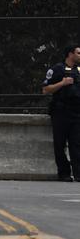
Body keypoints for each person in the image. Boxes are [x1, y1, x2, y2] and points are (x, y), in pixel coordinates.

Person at [42, 44, 80, 181]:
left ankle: (78, 174)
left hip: (77, 113)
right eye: (78, 53)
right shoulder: (57, 69)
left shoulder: (79, 70)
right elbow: (45, 89)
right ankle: (64, 173)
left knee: (76, 144)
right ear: (70, 54)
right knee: (60, 144)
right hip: (61, 112)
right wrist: (62, 83)